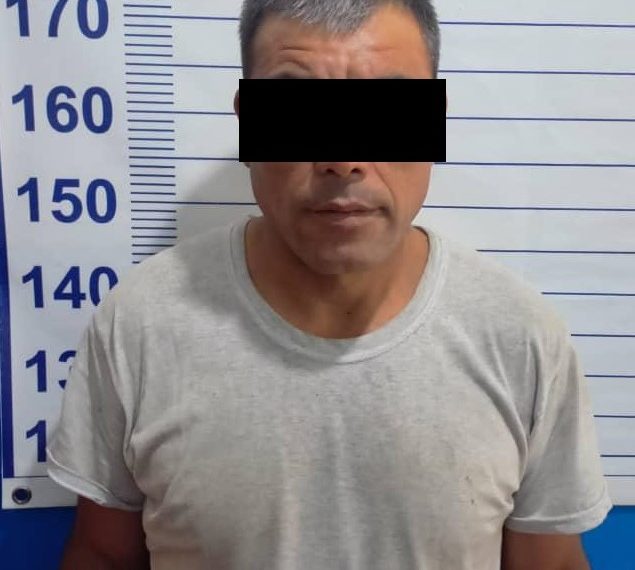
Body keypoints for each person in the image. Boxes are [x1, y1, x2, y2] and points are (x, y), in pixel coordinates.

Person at [46, 1, 612, 568]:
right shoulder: (140, 324)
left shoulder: (520, 336)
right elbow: (102, 554)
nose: (343, 160)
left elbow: (552, 563)